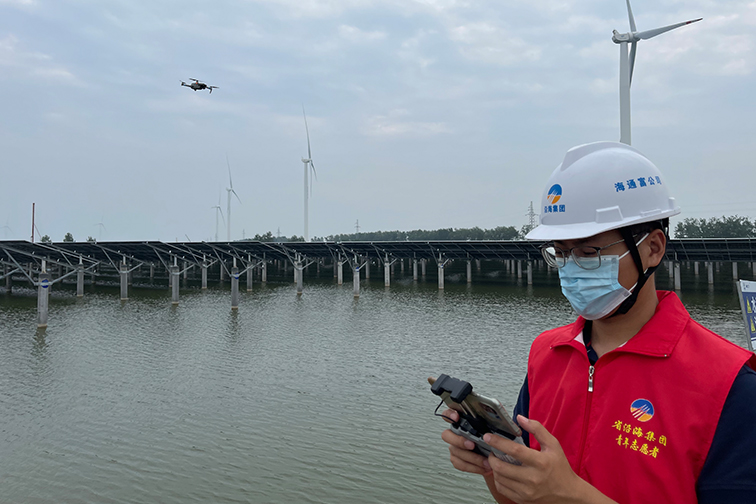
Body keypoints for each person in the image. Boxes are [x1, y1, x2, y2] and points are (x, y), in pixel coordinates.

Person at [440, 141, 756, 504]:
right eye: (561, 253)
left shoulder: (729, 384)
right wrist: (493, 466)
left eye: (588, 252)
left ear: (653, 248)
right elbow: (525, 497)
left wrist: (572, 495)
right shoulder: (547, 353)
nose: (571, 267)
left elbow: (558, 494)